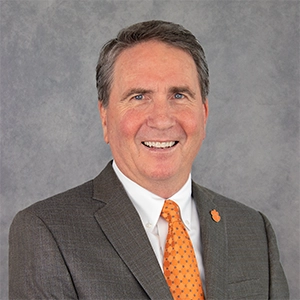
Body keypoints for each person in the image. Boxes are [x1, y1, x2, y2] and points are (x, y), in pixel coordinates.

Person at [9, 20, 289, 299]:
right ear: (105, 117)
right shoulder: (47, 231)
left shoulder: (253, 230)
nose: (162, 120)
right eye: (139, 96)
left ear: (203, 114)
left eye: (179, 95)